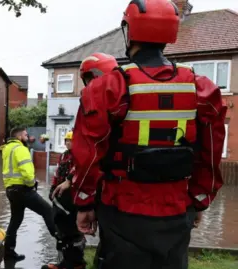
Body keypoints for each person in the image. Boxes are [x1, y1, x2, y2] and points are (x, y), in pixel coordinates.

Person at [71, 1, 227, 269]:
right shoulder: (201, 89)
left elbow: (88, 154)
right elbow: (211, 152)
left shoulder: (107, 88)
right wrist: (200, 200)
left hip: (122, 210)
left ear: (129, 32)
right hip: (177, 209)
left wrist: (84, 203)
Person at [48, 52, 118, 269]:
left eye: (87, 80)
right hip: (122, 183)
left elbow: (88, 152)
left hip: (104, 182)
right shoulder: (128, 99)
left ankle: (73, 262)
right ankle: (73, 260)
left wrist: (80, 191)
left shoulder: (95, 102)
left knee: (63, 210)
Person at [2, 127, 56, 262]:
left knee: (15, 220)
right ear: (19, 137)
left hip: (11, 190)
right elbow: (27, 172)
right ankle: (63, 244)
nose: (28, 137)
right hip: (23, 189)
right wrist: (32, 184)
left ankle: (8, 253)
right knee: (47, 211)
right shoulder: (20, 149)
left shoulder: (7, 148)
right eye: (26, 135)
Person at [42, 131, 86, 269]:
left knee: (72, 230)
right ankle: (65, 261)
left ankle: (76, 263)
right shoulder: (63, 156)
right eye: (66, 140)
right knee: (61, 228)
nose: (68, 143)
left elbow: (79, 171)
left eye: (71, 140)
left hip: (73, 196)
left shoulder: (80, 156)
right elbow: (57, 173)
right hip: (61, 196)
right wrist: (53, 187)